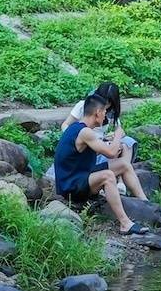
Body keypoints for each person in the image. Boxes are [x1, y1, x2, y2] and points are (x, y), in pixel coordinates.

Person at [53, 91, 153, 234]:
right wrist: (118, 135)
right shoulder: (85, 132)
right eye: (105, 111)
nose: (106, 115)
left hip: (81, 174)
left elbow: (99, 150)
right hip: (71, 186)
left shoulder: (80, 129)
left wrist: (111, 143)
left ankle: (146, 204)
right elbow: (111, 153)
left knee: (124, 164)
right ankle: (125, 223)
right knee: (108, 176)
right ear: (98, 112)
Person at [68, 81, 134, 181]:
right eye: (104, 100)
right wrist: (71, 137)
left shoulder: (109, 112)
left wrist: (112, 136)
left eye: (108, 103)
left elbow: (119, 130)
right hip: (88, 145)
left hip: (100, 142)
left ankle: (121, 180)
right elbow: (66, 124)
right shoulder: (83, 107)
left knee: (127, 143)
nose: (105, 106)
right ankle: (120, 176)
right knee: (113, 150)